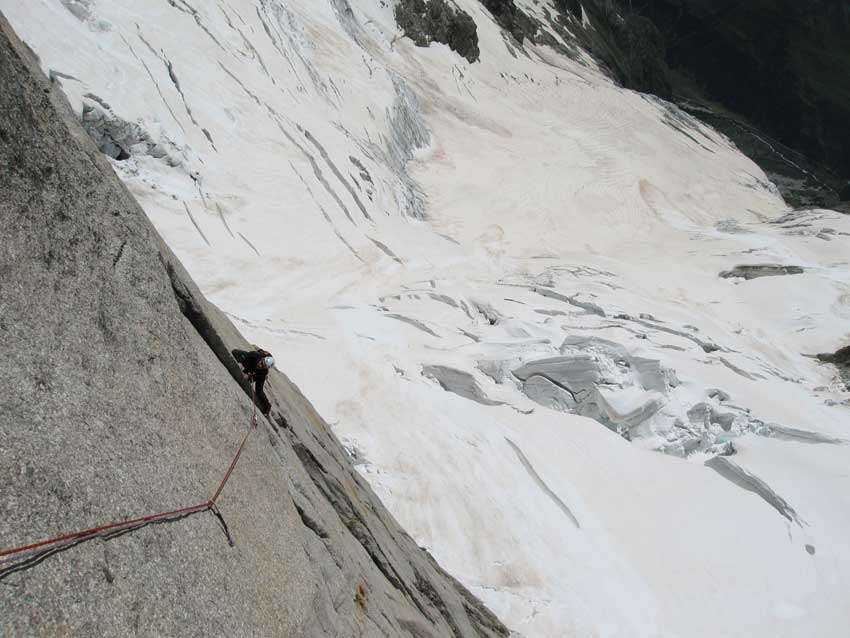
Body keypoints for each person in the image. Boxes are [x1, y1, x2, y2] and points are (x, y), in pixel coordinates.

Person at [231, 348, 275, 416]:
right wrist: (247, 371)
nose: (261, 365)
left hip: (258, 373)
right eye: (261, 362)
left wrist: (249, 376)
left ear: (265, 367)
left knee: (259, 391)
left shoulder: (263, 372)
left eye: (263, 366)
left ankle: (267, 406)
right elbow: (248, 357)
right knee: (235, 352)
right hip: (251, 362)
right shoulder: (255, 355)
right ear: (262, 359)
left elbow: (256, 378)